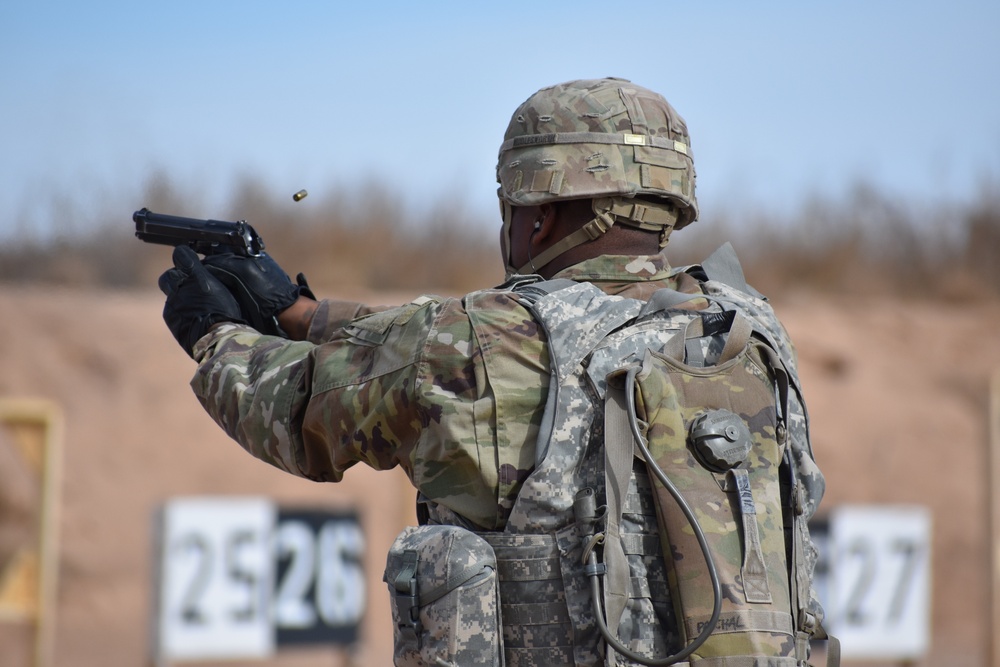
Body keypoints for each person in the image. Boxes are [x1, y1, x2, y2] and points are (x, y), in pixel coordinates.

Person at [159, 78, 829, 666]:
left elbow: (290, 408)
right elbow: (459, 342)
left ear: (536, 216)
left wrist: (213, 332)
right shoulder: (747, 331)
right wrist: (306, 313)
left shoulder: (474, 343)